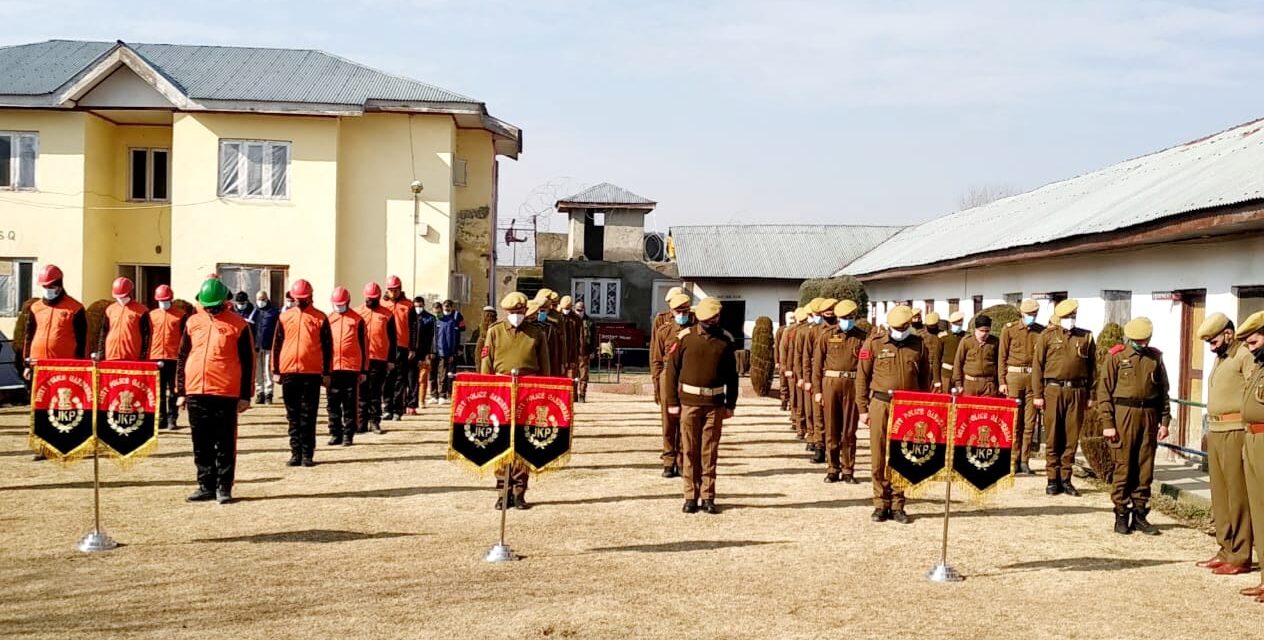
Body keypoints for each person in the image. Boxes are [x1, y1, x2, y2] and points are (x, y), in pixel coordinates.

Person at [176, 278, 254, 504]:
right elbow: (182, 357)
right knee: (201, 443)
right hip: (195, 391)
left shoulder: (239, 325)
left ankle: (224, 487)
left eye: (214, 305)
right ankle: (205, 485)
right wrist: (181, 391)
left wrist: (245, 396)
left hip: (225, 392)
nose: (210, 309)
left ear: (225, 302)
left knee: (225, 443)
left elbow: (248, 361)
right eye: (206, 305)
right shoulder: (192, 322)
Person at [662, 297, 738, 515]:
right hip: (689, 403)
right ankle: (690, 496)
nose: (716, 319)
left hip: (715, 404)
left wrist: (730, 404)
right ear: (703, 318)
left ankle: (708, 496)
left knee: (710, 451)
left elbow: (732, 377)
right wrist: (673, 403)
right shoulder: (685, 339)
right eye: (712, 316)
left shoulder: (725, 340)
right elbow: (671, 374)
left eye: (717, 316)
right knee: (689, 451)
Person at [857, 305, 932, 524]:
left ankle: (898, 503)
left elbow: (925, 379)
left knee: (903, 456)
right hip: (880, 404)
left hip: (908, 407)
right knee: (878, 456)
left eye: (904, 326)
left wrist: (924, 409)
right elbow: (862, 377)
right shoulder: (874, 343)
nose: (901, 330)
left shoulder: (919, 345)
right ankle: (880, 503)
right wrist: (862, 409)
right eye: (897, 327)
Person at [1097, 317, 1170, 535]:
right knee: (1123, 466)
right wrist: (1108, 423)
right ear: (1131, 338)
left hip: (1148, 415)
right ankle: (1121, 512)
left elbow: (1163, 393)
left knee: (1145, 466)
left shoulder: (1155, 358)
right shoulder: (1116, 356)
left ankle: (1140, 514)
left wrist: (1164, 421)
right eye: (1139, 340)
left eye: (1146, 339)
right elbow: (1104, 392)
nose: (1143, 343)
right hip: (1123, 415)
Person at [1195, 312, 1254, 572]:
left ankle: (1240, 554)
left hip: (1235, 430)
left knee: (1236, 495)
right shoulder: (1222, 357)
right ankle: (1226, 547)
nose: (1211, 347)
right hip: (1217, 429)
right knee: (1220, 495)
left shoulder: (1244, 355)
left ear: (1228, 334)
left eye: (1214, 341)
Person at [481, 292, 551, 510]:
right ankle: (502, 491)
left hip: (528, 391)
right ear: (506, 312)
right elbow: (486, 364)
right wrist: (486, 392)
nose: (516, 316)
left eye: (520, 312)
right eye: (512, 312)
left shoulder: (536, 333)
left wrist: (544, 394)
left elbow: (545, 366)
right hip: (501, 391)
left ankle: (520, 491)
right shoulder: (494, 332)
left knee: (523, 441)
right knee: (501, 440)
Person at [1032, 299, 1096, 497]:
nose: (1071, 320)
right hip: (1053, 390)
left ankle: (1066, 479)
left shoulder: (1086, 337)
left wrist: (1091, 394)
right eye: (1068, 317)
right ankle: (1052, 478)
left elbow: (1093, 368)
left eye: (1073, 316)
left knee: (1071, 437)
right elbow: (1037, 367)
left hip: (1077, 391)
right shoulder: (1047, 336)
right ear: (1060, 319)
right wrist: (1037, 394)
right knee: (1053, 436)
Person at [22, 265, 87, 460]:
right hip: (39, 366)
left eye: (51, 286)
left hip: (65, 367)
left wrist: (81, 366)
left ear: (59, 285)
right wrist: (26, 364)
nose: (47, 290)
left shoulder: (75, 308)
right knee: (40, 407)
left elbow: (83, 340)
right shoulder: (35, 308)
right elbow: (28, 335)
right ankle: (43, 446)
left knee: (64, 406)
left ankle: (66, 444)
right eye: (44, 286)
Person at [272, 279, 333, 467]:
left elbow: (328, 348)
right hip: (289, 371)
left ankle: (308, 454)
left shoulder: (320, 318)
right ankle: (295, 452)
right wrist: (276, 370)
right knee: (292, 415)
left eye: (302, 298)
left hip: (312, 373)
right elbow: (277, 345)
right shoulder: (284, 317)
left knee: (309, 414)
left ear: (310, 297)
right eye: (296, 298)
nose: (298, 301)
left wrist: (326, 373)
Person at [813, 299, 866, 484]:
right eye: (844, 317)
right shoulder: (827, 335)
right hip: (830, 384)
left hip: (852, 384)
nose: (847, 320)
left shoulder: (862, 337)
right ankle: (833, 468)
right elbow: (817, 365)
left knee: (849, 431)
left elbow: (866, 366)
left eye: (851, 317)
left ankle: (848, 469)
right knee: (832, 428)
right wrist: (817, 390)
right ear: (838, 317)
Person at [1232, 311, 1264, 602]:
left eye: (1254, 343)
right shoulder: (1259, 368)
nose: (1251, 349)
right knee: (1259, 512)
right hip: (1253, 438)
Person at [651, 293, 694, 478]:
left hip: (687, 376)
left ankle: (683, 461)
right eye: (678, 311)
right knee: (668, 423)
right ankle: (668, 461)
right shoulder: (664, 330)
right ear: (671, 311)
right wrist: (656, 384)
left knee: (686, 422)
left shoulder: (695, 330)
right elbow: (656, 360)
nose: (682, 314)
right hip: (667, 377)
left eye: (685, 311)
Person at [999, 298, 1043, 474]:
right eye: (1030, 314)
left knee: (1029, 422)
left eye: (1035, 314)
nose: (1032, 317)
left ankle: (1025, 460)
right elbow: (1001, 357)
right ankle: (1012, 459)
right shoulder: (1009, 329)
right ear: (1022, 314)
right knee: (1014, 422)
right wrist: (1002, 381)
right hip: (1014, 377)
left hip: (1032, 377)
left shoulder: (1041, 332)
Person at [326, 287, 367, 446]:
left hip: (351, 368)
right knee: (333, 403)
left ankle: (348, 434)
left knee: (350, 404)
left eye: (342, 304)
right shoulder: (328, 320)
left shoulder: (357, 320)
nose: (339, 307)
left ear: (348, 302)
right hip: (333, 368)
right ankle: (335, 432)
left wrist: (363, 369)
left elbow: (364, 345)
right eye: (337, 304)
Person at [356, 282, 397, 434]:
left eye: (373, 298)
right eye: (368, 298)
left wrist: (391, 360)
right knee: (361, 393)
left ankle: (374, 422)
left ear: (379, 297)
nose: (370, 301)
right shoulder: (358, 313)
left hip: (379, 359)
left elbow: (393, 339)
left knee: (375, 393)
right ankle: (361, 423)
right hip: (361, 359)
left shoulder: (387, 315)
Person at [147, 285, 187, 430]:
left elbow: (185, 338)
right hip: (155, 356)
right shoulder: (151, 315)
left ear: (171, 299)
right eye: (160, 300)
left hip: (174, 357)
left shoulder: (181, 315)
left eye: (166, 300)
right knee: (159, 391)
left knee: (174, 390)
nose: (163, 303)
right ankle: (161, 419)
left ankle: (172, 419)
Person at [804, 297, 838, 463]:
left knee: (835, 418)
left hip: (835, 379)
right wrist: (808, 379)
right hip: (819, 377)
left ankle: (835, 450)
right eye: (826, 312)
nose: (830, 314)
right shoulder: (814, 331)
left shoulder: (842, 330)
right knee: (818, 415)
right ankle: (819, 447)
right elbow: (806, 356)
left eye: (832, 311)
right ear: (821, 314)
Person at [381, 275, 416, 421]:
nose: (393, 293)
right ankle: (387, 408)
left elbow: (414, 327)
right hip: (386, 347)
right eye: (390, 290)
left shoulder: (409, 305)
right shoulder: (381, 304)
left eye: (395, 290)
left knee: (400, 379)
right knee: (387, 378)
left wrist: (412, 348)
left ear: (400, 289)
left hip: (402, 347)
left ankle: (397, 410)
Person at [96, 277, 151, 361]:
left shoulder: (141, 311)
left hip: (132, 355)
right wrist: (101, 352)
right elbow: (103, 332)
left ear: (130, 293)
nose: (120, 299)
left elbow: (147, 335)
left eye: (123, 297)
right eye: (118, 297)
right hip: (111, 354)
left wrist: (143, 355)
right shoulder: (110, 309)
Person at [649, 287, 687, 404]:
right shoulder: (661, 319)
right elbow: (655, 350)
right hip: (668, 367)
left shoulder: (692, 317)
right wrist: (656, 383)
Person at [952, 314, 1000, 397]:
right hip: (970, 384)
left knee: (986, 409)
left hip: (988, 385)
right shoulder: (966, 341)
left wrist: (1000, 383)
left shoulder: (994, 342)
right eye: (981, 331)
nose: (984, 334)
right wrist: (958, 384)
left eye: (987, 331)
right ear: (976, 330)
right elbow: (958, 363)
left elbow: (999, 363)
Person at [434, 299, 466, 402]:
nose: (447, 309)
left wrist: (460, 348)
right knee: (442, 373)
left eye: (448, 307)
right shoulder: (439, 317)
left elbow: (463, 333)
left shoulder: (458, 316)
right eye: (445, 307)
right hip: (441, 350)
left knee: (451, 373)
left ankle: (452, 393)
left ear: (452, 307)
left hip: (453, 350)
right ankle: (442, 395)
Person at [252, 291, 280, 404]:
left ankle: (269, 393)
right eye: (259, 299)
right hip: (257, 346)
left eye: (263, 299)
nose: (261, 301)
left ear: (267, 299)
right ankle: (260, 393)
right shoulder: (254, 312)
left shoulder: (273, 312)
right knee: (258, 371)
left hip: (269, 346)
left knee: (268, 371)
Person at [413, 297, 436, 407]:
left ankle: (421, 400)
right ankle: (411, 400)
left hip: (424, 352)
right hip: (412, 352)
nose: (418, 308)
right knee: (412, 378)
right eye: (416, 306)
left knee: (423, 377)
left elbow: (433, 337)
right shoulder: (410, 317)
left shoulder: (430, 318)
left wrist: (431, 352)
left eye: (420, 306)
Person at [938, 311, 966, 393]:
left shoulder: (965, 336)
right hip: (946, 374)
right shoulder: (943, 337)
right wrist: (936, 379)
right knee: (945, 398)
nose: (958, 325)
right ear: (951, 324)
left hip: (961, 373)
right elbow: (937, 358)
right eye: (956, 323)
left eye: (960, 323)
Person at [574, 300, 596, 402]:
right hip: (572, 353)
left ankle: (582, 395)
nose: (579, 312)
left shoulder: (589, 322)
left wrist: (592, 351)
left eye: (581, 310)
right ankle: (573, 395)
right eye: (577, 310)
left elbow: (593, 338)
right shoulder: (571, 320)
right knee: (573, 376)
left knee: (583, 375)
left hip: (585, 352)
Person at [776, 311, 795, 411]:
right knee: (783, 383)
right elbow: (777, 346)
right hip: (783, 361)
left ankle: (792, 403)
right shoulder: (781, 330)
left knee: (792, 385)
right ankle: (784, 402)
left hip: (793, 362)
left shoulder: (797, 329)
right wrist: (777, 361)